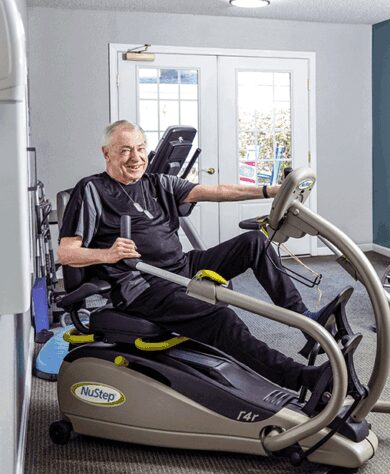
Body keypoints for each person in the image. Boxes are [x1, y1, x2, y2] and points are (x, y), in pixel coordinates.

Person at [58, 120, 334, 392]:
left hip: (181, 267)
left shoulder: (157, 183)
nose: (136, 158)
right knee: (222, 319)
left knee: (255, 242)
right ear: (106, 153)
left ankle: (306, 320)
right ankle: (301, 378)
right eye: (125, 150)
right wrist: (108, 254)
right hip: (143, 285)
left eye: (141, 148)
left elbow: (216, 191)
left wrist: (270, 191)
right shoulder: (92, 190)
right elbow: (66, 253)